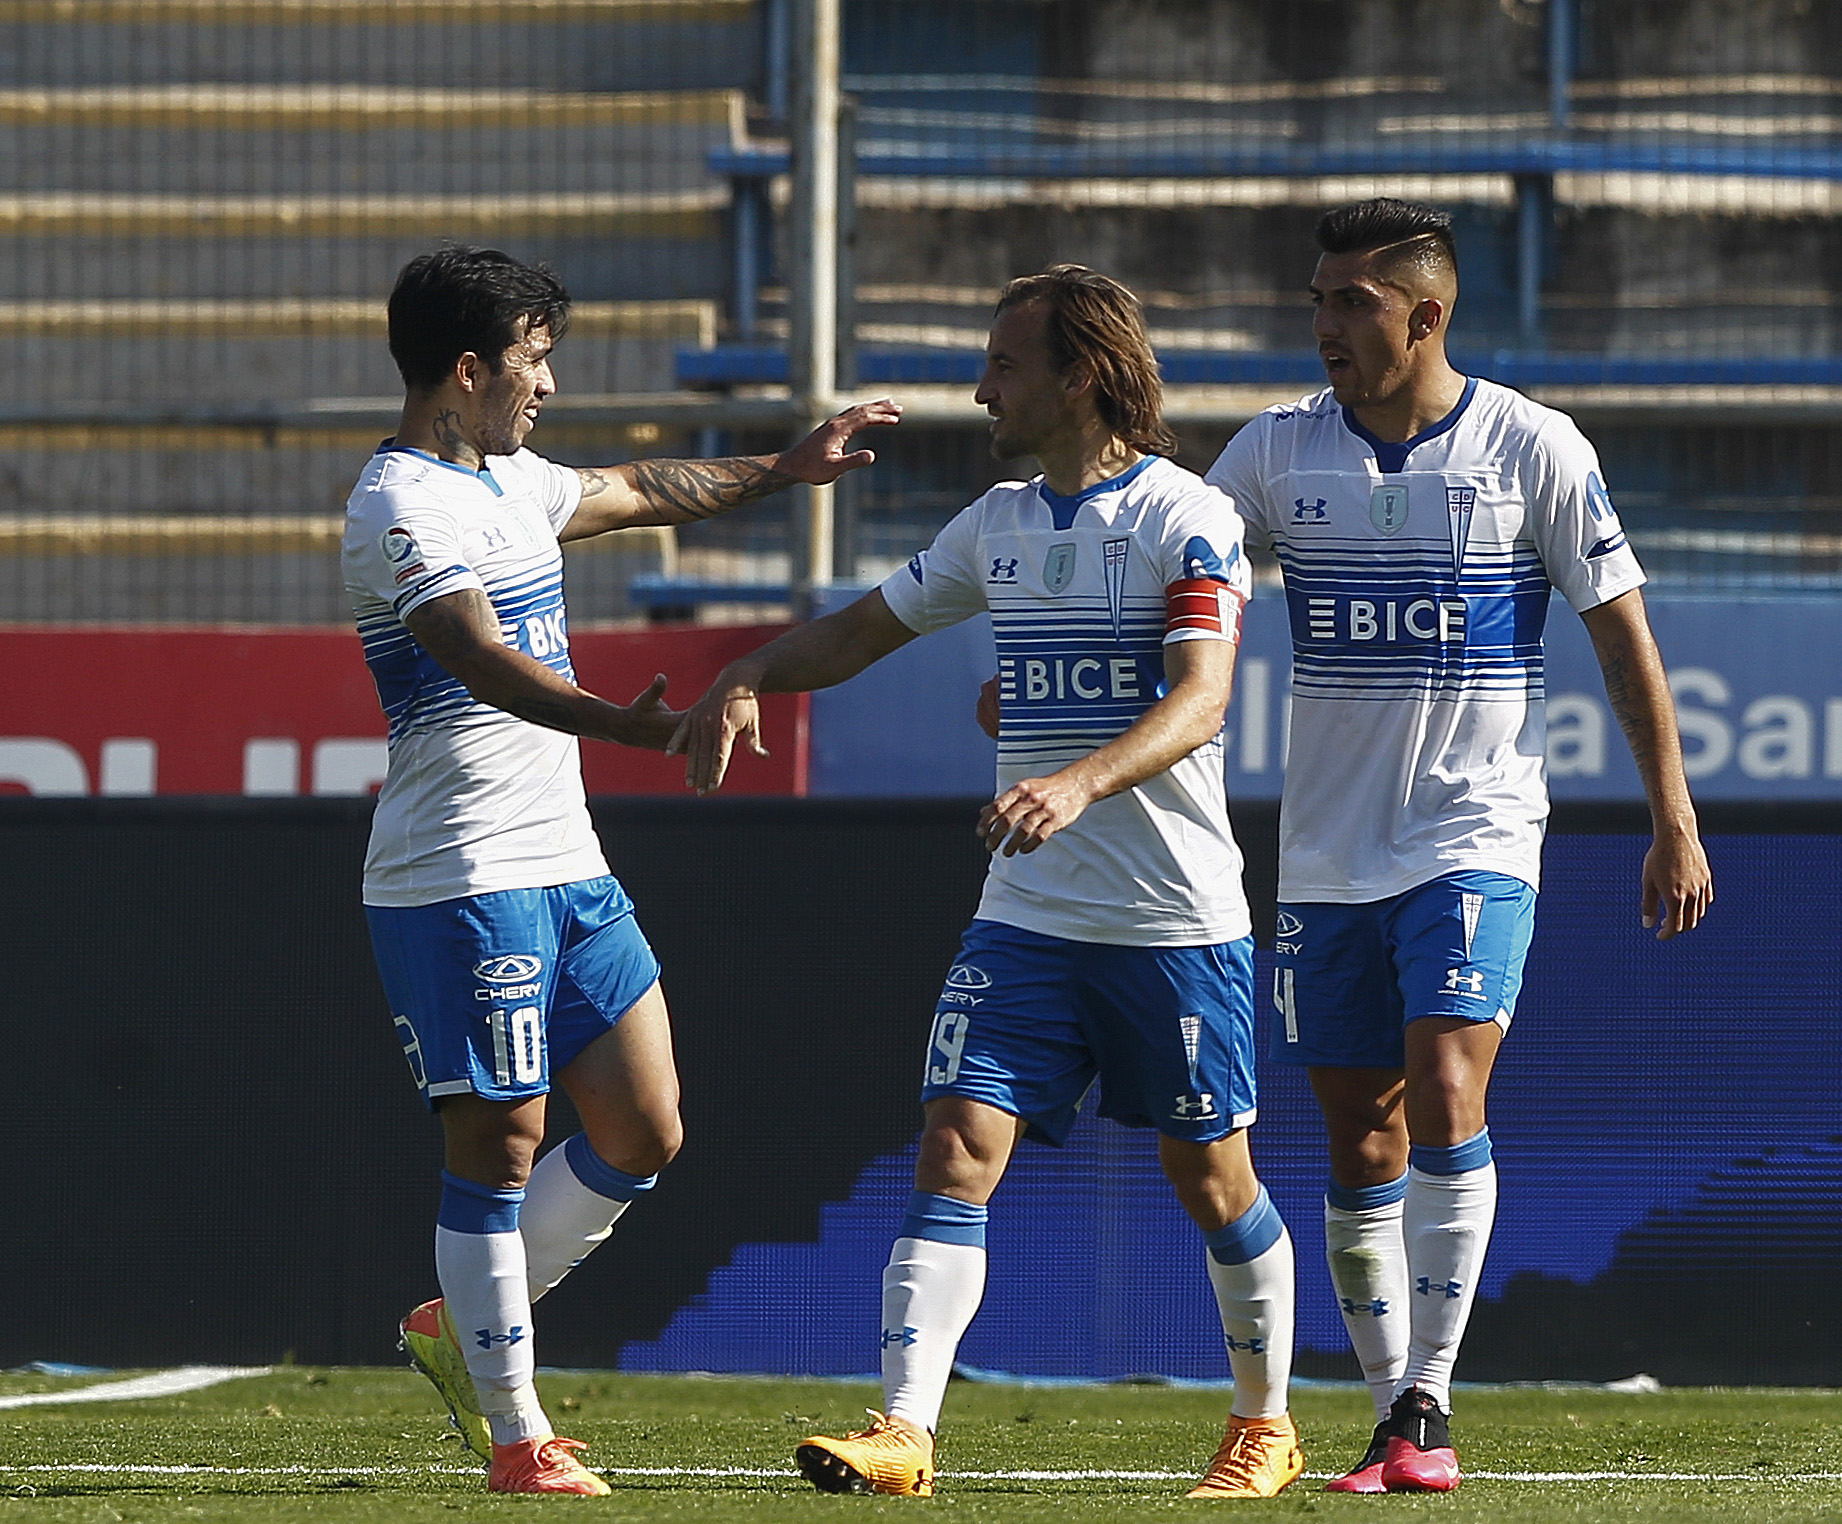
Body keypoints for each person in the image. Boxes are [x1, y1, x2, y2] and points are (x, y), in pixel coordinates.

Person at [674, 265, 1304, 1500]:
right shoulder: (999, 525)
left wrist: (1074, 779)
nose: (980, 389)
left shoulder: (1189, 518)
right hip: (1026, 915)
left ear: (1081, 374)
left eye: (1005, 366)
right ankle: (906, 1428)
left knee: (1211, 1173)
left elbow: (1203, 699)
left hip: (1173, 918)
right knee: (956, 1145)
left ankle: (1266, 1420)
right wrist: (751, 667)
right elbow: (860, 631)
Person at [341, 243, 897, 1496]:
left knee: (645, 1127)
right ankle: (516, 1432)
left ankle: (456, 1328)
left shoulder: (511, 479)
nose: (546, 385)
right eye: (533, 361)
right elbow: (480, 661)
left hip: (566, 862)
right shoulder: (397, 506)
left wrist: (784, 468)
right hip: (460, 871)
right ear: (470, 367)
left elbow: (641, 486)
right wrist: (633, 724)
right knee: (501, 1144)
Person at [1203, 199, 1714, 1493]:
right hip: (1324, 853)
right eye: (1316, 299)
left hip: (1472, 835)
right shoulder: (1269, 457)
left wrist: (1672, 815)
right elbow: (1177, 581)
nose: (1321, 324)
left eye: (1347, 303)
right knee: (1355, 1137)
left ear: (1425, 315)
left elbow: (1618, 634)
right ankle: (1390, 1417)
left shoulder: (1529, 446)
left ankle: (1426, 1399)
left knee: (1444, 1086)